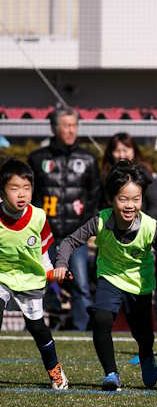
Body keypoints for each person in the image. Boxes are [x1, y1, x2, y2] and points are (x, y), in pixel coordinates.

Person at [53, 161, 157, 391]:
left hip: (139, 283)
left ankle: (147, 354)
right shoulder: (100, 220)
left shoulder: (150, 226)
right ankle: (111, 373)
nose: (130, 205)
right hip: (110, 277)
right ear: (111, 198)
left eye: (136, 199)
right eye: (123, 199)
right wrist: (61, 263)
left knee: (143, 333)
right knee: (101, 320)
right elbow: (70, 242)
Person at [28, 107, 101, 331]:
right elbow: (30, 195)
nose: (71, 130)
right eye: (66, 125)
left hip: (75, 235)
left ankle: (83, 330)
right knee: (40, 283)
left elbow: (94, 196)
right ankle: (38, 325)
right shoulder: (37, 158)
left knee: (80, 285)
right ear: (54, 128)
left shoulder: (88, 159)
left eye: (74, 126)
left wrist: (86, 230)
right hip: (44, 234)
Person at [0, 159, 68, 389]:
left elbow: (44, 252)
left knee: (38, 328)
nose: (21, 194)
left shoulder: (38, 217)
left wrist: (52, 273)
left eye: (26, 188)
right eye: (14, 188)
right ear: (2, 191)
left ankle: (55, 370)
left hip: (30, 279)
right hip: (3, 277)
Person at [101, 133, 157, 221]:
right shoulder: (106, 174)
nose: (121, 155)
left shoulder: (143, 172)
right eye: (117, 151)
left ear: (133, 150)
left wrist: (144, 225)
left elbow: (155, 205)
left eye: (125, 150)